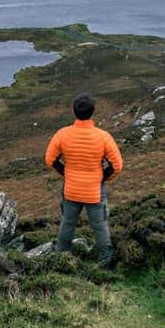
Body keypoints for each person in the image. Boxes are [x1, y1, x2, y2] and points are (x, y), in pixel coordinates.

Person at [44, 93, 124, 268]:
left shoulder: (62, 134)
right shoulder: (103, 137)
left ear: (74, 112)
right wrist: (103, 176)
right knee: (100, 227)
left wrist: (66, 172)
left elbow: (50, 159)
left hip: (71, 188)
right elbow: (117, 165)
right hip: (94, 191)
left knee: (67, 224)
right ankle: (105, 265)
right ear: (93, 112)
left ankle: (61, 260)